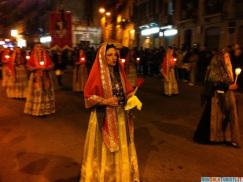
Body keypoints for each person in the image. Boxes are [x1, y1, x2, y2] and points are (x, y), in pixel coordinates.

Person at [80, 43, 140, 182]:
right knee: (103, 149)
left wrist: (132, 98)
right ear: (103, 57)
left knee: (121, 148)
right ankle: (104, 176)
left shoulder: (120, 72)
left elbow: (127, 92)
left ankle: (119, 176)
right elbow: (88, 97)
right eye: (110, 55)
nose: (114, 58)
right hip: (103, 116)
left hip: (120, 116)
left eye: (115, 55)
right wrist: (106, 101)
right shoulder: (97, 74)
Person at [194, 50, 240, 147]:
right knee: (211, 118)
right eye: (225, 57)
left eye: (228, 57)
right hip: (216, 97)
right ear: (220, 59)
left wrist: (232, 85)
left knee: (226, 118)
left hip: (227, 97)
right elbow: (213, 83)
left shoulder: (228, 67)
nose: (228, 59)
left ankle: (225, 137)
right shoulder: (215, 68)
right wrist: (227, 87)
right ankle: (207, 138)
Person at [24, 43, 55, 116]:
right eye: (37, 47)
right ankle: (36, 110)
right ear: (34, 48)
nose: (40, 48)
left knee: (45, 92)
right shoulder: (32, 57)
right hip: (35, 77)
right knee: (37, 92)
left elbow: (52, 65)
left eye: (41, 47)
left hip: (45, 76)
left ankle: (46, 110)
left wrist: (47, 68)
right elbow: (28, 66)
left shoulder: (46, 56)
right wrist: (35, 68)